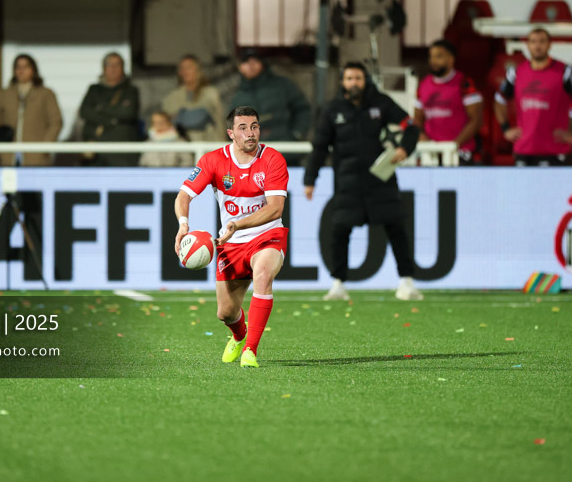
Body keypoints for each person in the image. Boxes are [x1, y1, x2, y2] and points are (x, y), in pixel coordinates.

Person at [173, 106, 289, 369]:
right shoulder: (213, 161)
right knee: (225, 312)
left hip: (266, 235)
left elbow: (275, 209)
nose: (251, 133)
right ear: (231, 133)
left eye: (255, 126)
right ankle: (239, 336)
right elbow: (184, 195)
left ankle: (250, 350)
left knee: (262, 275)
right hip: (231, 243)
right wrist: (183, 224)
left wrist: (238, 224)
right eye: (243, 128)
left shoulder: (272, 159)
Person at [304, 62, 423, 302]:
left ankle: (407, 281)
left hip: (381, 178)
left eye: (358, 78)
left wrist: (405, 148)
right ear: (342, 82)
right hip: (346, 181)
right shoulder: (332, 109)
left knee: (396, 228)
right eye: (349, 78)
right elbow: (319, 147)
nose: (354, 83)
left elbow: (410, 126)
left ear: (365, 80)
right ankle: (338, 284)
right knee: (339, 231)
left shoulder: (382, 103)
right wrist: (310, 179)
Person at [494, 27, 572, 166]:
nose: (537, 46)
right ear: (528, 45)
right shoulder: (516, 72)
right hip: (524, 149)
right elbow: (499, 99)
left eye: (542, 41)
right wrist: (505, 128)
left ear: (549, 44)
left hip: (556, 150)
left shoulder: (565, 72)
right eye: (533, 42)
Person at [413, 39, 482, 164]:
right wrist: (423, 138)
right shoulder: (423, 85)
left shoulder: (465, 83)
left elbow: (476, 120)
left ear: (451, 59)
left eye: (439, 56)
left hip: (460, 152)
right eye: (431, 56)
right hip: (432, 154)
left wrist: (454, 145)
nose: (433, 61)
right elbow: (417, 119)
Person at [0, 54, 63, 167]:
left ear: (33, 70)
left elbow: (56, 122)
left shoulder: (45, 94)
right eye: (18, 67)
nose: (21, 71)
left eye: (25, 67)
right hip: (8, 155)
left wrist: (45, 147)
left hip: (35, 155)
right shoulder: (4, 95)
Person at [75, 52, 141, 166]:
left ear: (123, 68)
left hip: (122, 152)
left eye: (117, 65)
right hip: (95, 151)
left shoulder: (130, 90)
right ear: (104, 68)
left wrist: (99, 109)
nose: (113, 69)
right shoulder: (94, 89)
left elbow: (128, 113)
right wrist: (112, 120)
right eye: (110, 65)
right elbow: (84, 111)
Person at [229, 50, 310, 142]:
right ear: (240, 67)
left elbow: (302, 109)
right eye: (246, 62)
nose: (251, 66)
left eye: (255, 61)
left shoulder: (282, 85)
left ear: (263, 64)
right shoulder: (238, 96)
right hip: (253, 147)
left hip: (284, 144)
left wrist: (297, 134)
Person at [162, 54, 225, 142]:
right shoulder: (172, 96)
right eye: (182, 68)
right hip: (181, 143)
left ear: (198, 70)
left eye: (189, 67)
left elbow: (216, 120)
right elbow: (166, 122)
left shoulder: (210, 93)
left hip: (208, 142)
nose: (185, 71)